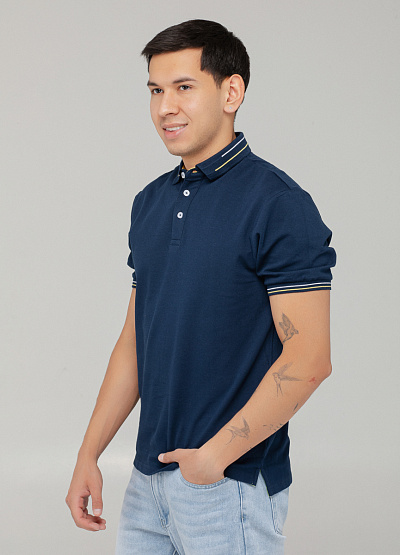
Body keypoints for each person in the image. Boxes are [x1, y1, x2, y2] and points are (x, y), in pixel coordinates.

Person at [66, 19, 336, 554]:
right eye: (155, 91)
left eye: (184, 87)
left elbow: (310, 358)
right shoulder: (150, 202)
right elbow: (136, 341)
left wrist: (215, 458)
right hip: (148, 481)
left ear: (231, 92)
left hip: (227, 483)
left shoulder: (278, 204)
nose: (165, 107)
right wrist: (88, 453)